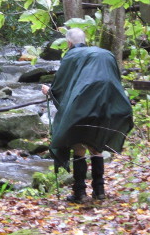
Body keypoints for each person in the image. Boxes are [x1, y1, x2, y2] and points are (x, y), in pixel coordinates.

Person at [41, 28, 133, 203]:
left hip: (82, 106)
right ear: (86, 39)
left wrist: (49, 92)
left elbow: (61, 85)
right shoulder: (106, 54)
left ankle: (80, 192)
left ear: (69, 43)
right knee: (96, 147)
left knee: (78, 146)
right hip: (108, 105)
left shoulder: (71, 56)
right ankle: (99, 191)